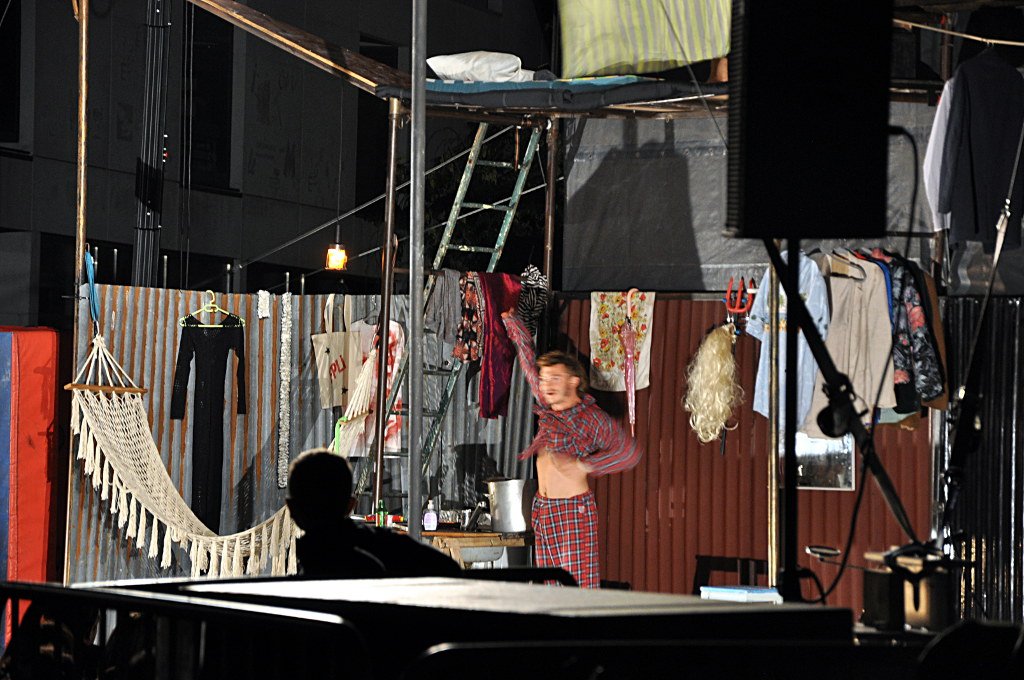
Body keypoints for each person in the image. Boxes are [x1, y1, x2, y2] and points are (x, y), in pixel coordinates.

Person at [502, 312, 643, 588]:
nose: (546, 385)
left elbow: (628, 451)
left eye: (555, 379)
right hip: (543, 510)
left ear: (574, 381)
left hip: (572, 512)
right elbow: (528, 363)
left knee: (576, 590)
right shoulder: (548, 406)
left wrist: (585, 465)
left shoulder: (589, 417)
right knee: (552, 590)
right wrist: (512, 323)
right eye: (544, 379)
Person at [285, 448, 460, 578]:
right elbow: (449, 569)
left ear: (291, 508)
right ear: (351, 505)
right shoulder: (387, 546)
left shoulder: (302, 580)